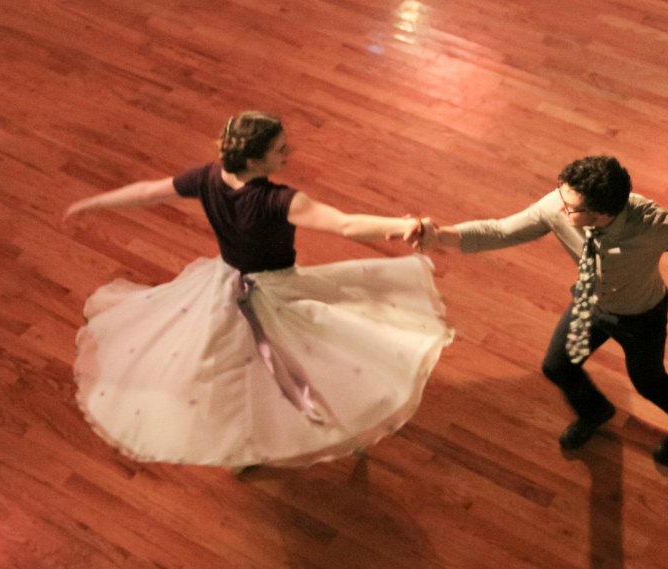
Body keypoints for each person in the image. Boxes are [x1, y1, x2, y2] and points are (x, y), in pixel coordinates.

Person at [64, 111, 453, 470]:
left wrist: (94, 202)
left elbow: (150, 191)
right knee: (305, 357)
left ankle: (240, 445)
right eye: (281, 150)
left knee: (235, 369)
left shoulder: (207, 177)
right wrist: (406, 226)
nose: (290, 153)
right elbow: (345, 225)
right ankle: (293, 430)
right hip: (275, 294)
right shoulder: (276, 201)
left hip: (222, 288)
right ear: (254, 160)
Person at [412, 156, 668, 464]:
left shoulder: (653, 225)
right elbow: (500, 230)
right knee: (558, 366)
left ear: (603, 213)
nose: (558, 209)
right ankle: (596, 411)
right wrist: (439, 236)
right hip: (589, 302)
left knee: (648, 382)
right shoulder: (561, 202)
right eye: (561, 199)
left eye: (570, 208)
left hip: (641, 316)